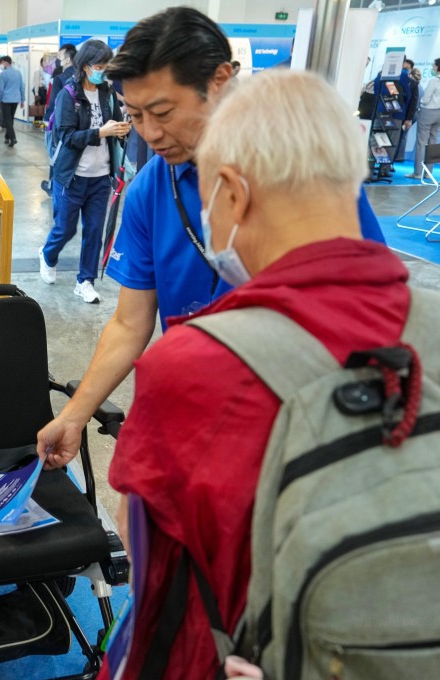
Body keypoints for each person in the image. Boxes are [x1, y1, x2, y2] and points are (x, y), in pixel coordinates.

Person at [96, 68, 410, 680]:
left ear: (233, 194)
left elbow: (147, 556)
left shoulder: (193, 369)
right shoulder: (423, 330)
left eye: (207, 195)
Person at [36, 8, 385, 481]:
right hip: (201, 420)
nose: (150, 133)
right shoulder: (149, 192)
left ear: (221, 80)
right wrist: (75, 414)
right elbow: (128, 323)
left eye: (162, 112)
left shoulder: (303, 171)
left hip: (307, 425)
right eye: (135, 116)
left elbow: (371, 304)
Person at [38, 39, 131, 304]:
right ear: (85, 66)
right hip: (72, 177)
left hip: (101, 177)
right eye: (98, 66)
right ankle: (47, 255)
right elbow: (67, 137)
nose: (102, 70)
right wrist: (100, 132)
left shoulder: (108, 93)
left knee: (94, 230)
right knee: (65, 229)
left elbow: (112, 125)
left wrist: (120, 129)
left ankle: (85, 281)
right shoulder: (68, 95)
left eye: (105, 65)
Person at [42, 43, 79, 194]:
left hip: (60, 122)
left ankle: (53, 185)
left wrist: (46, 120)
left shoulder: (60, 78)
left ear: (68, 59)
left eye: (60, 56)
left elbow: (53, 102)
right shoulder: (80, 76)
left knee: (56, 153)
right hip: (78, 122)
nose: (57, 60)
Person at [410, 57, 440, 179]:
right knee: (433, 142)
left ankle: (418, 172)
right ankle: (428, 173)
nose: (432, 67)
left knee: (421, 142)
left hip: (428, 112)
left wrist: (421, 103)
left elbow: (426, 98)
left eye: (434, 65)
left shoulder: (434, 80)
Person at [0, 55, 24, 147]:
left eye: (1, 63)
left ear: (5, 62)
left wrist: (0, 100)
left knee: (7, 119)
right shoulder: (18, 73)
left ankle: (13, 138)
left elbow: (1, 89)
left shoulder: (3, 74)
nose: (1, 65)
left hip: (6, 99)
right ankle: (7, 137)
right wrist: (22, 100)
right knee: (10, 118)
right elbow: (22, 87)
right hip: (16, 99)